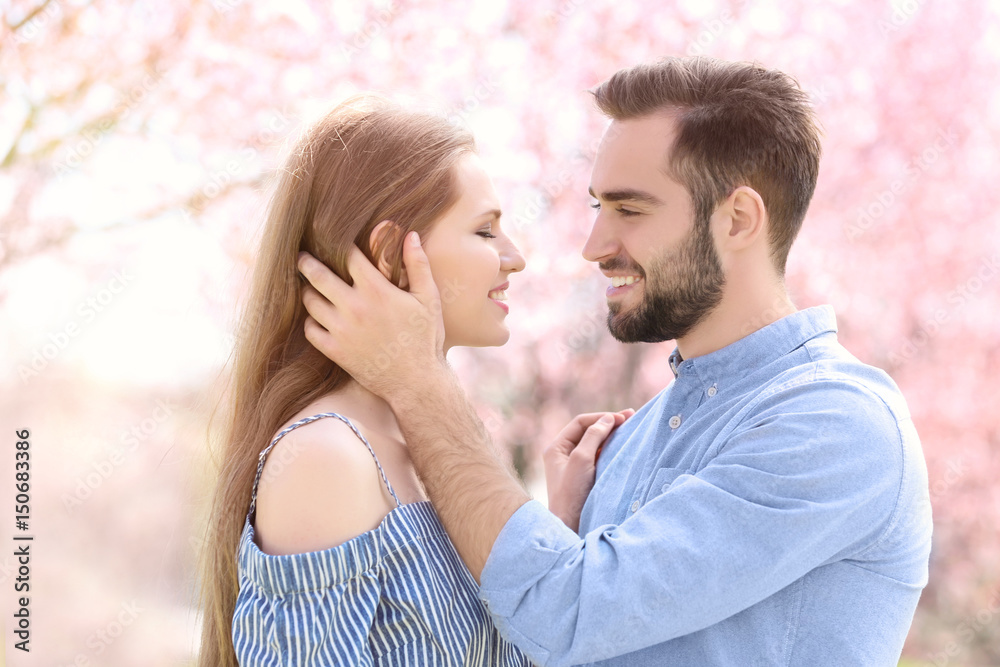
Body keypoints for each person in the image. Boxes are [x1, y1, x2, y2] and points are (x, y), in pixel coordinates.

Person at [296, 57, 934, 666]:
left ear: (738, 218)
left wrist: (419, 383)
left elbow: (565, 612)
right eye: (598, 207)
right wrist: (559, 530)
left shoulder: (837, 426)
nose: (594, 246)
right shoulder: (626, 444)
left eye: (630, 209)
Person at [196, 94, 627, 666]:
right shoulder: (329, 458)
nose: (515, 257)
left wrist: (555, 530)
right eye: (484, 231)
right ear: (392, 254)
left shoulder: (426, 441)